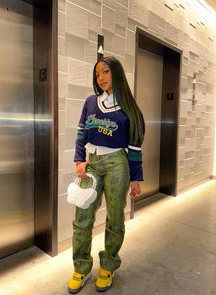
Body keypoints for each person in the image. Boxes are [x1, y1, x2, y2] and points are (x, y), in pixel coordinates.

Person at [68, 56, 145, 293]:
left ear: (117, 74)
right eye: (97, 74)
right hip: (91, 164)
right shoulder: (91, 102)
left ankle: (108, 266)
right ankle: (81, 268)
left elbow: (134, 147)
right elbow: (82, 132)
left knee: (115, 219)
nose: (101, 78)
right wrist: (79, 159)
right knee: (82, 219)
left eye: (106, 72)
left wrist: (135, 177)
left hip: (117, 164)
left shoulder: (128, 108)